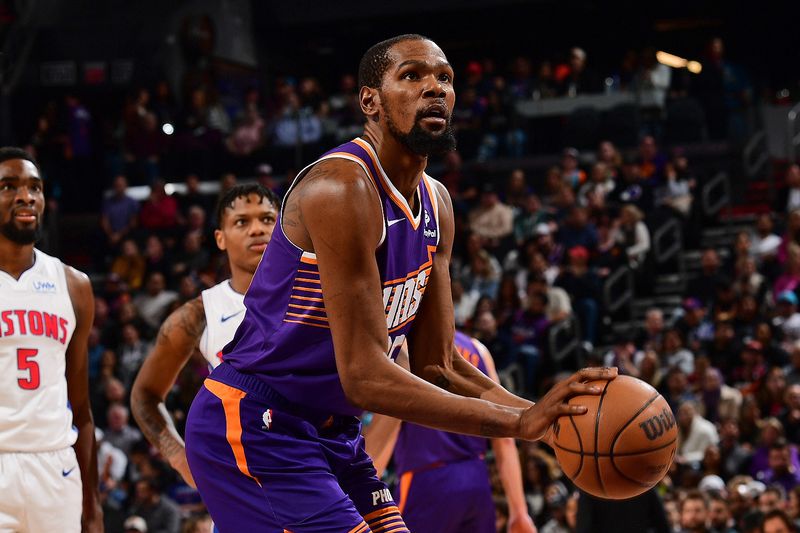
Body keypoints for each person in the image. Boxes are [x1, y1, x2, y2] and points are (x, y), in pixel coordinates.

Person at [180, 34, 615, 531]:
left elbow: (439, 364)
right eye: (412, 76)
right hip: (256, 424)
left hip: (333, 432)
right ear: (370, 100)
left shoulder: (438, 205)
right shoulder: (341, 188)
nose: (434, 88)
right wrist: (518, 424)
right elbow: (363, 376)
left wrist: (543, 416)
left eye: (445, 78)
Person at [131, 184, 279, 486]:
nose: (257, 230)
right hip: (243, 484)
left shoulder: (317, 294)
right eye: (242, 221)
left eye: (267, 219)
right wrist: (181, 459)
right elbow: (144, 395)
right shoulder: (200, 313)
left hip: (316, 472)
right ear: (220, 238)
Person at [0, 147, 102, 531]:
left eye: (34, 187)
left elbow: (82, 407)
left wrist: (92, 506)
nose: (26, 196)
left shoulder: (74, 285)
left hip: (55, 465)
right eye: (9, 186)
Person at [364, 332, 536, 533]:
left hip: (427, 478)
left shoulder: (403, 347)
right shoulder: (478, 350)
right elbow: (505, 439)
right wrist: (519, 511)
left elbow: (389, 426)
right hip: (477, 480)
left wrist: (365, 488)